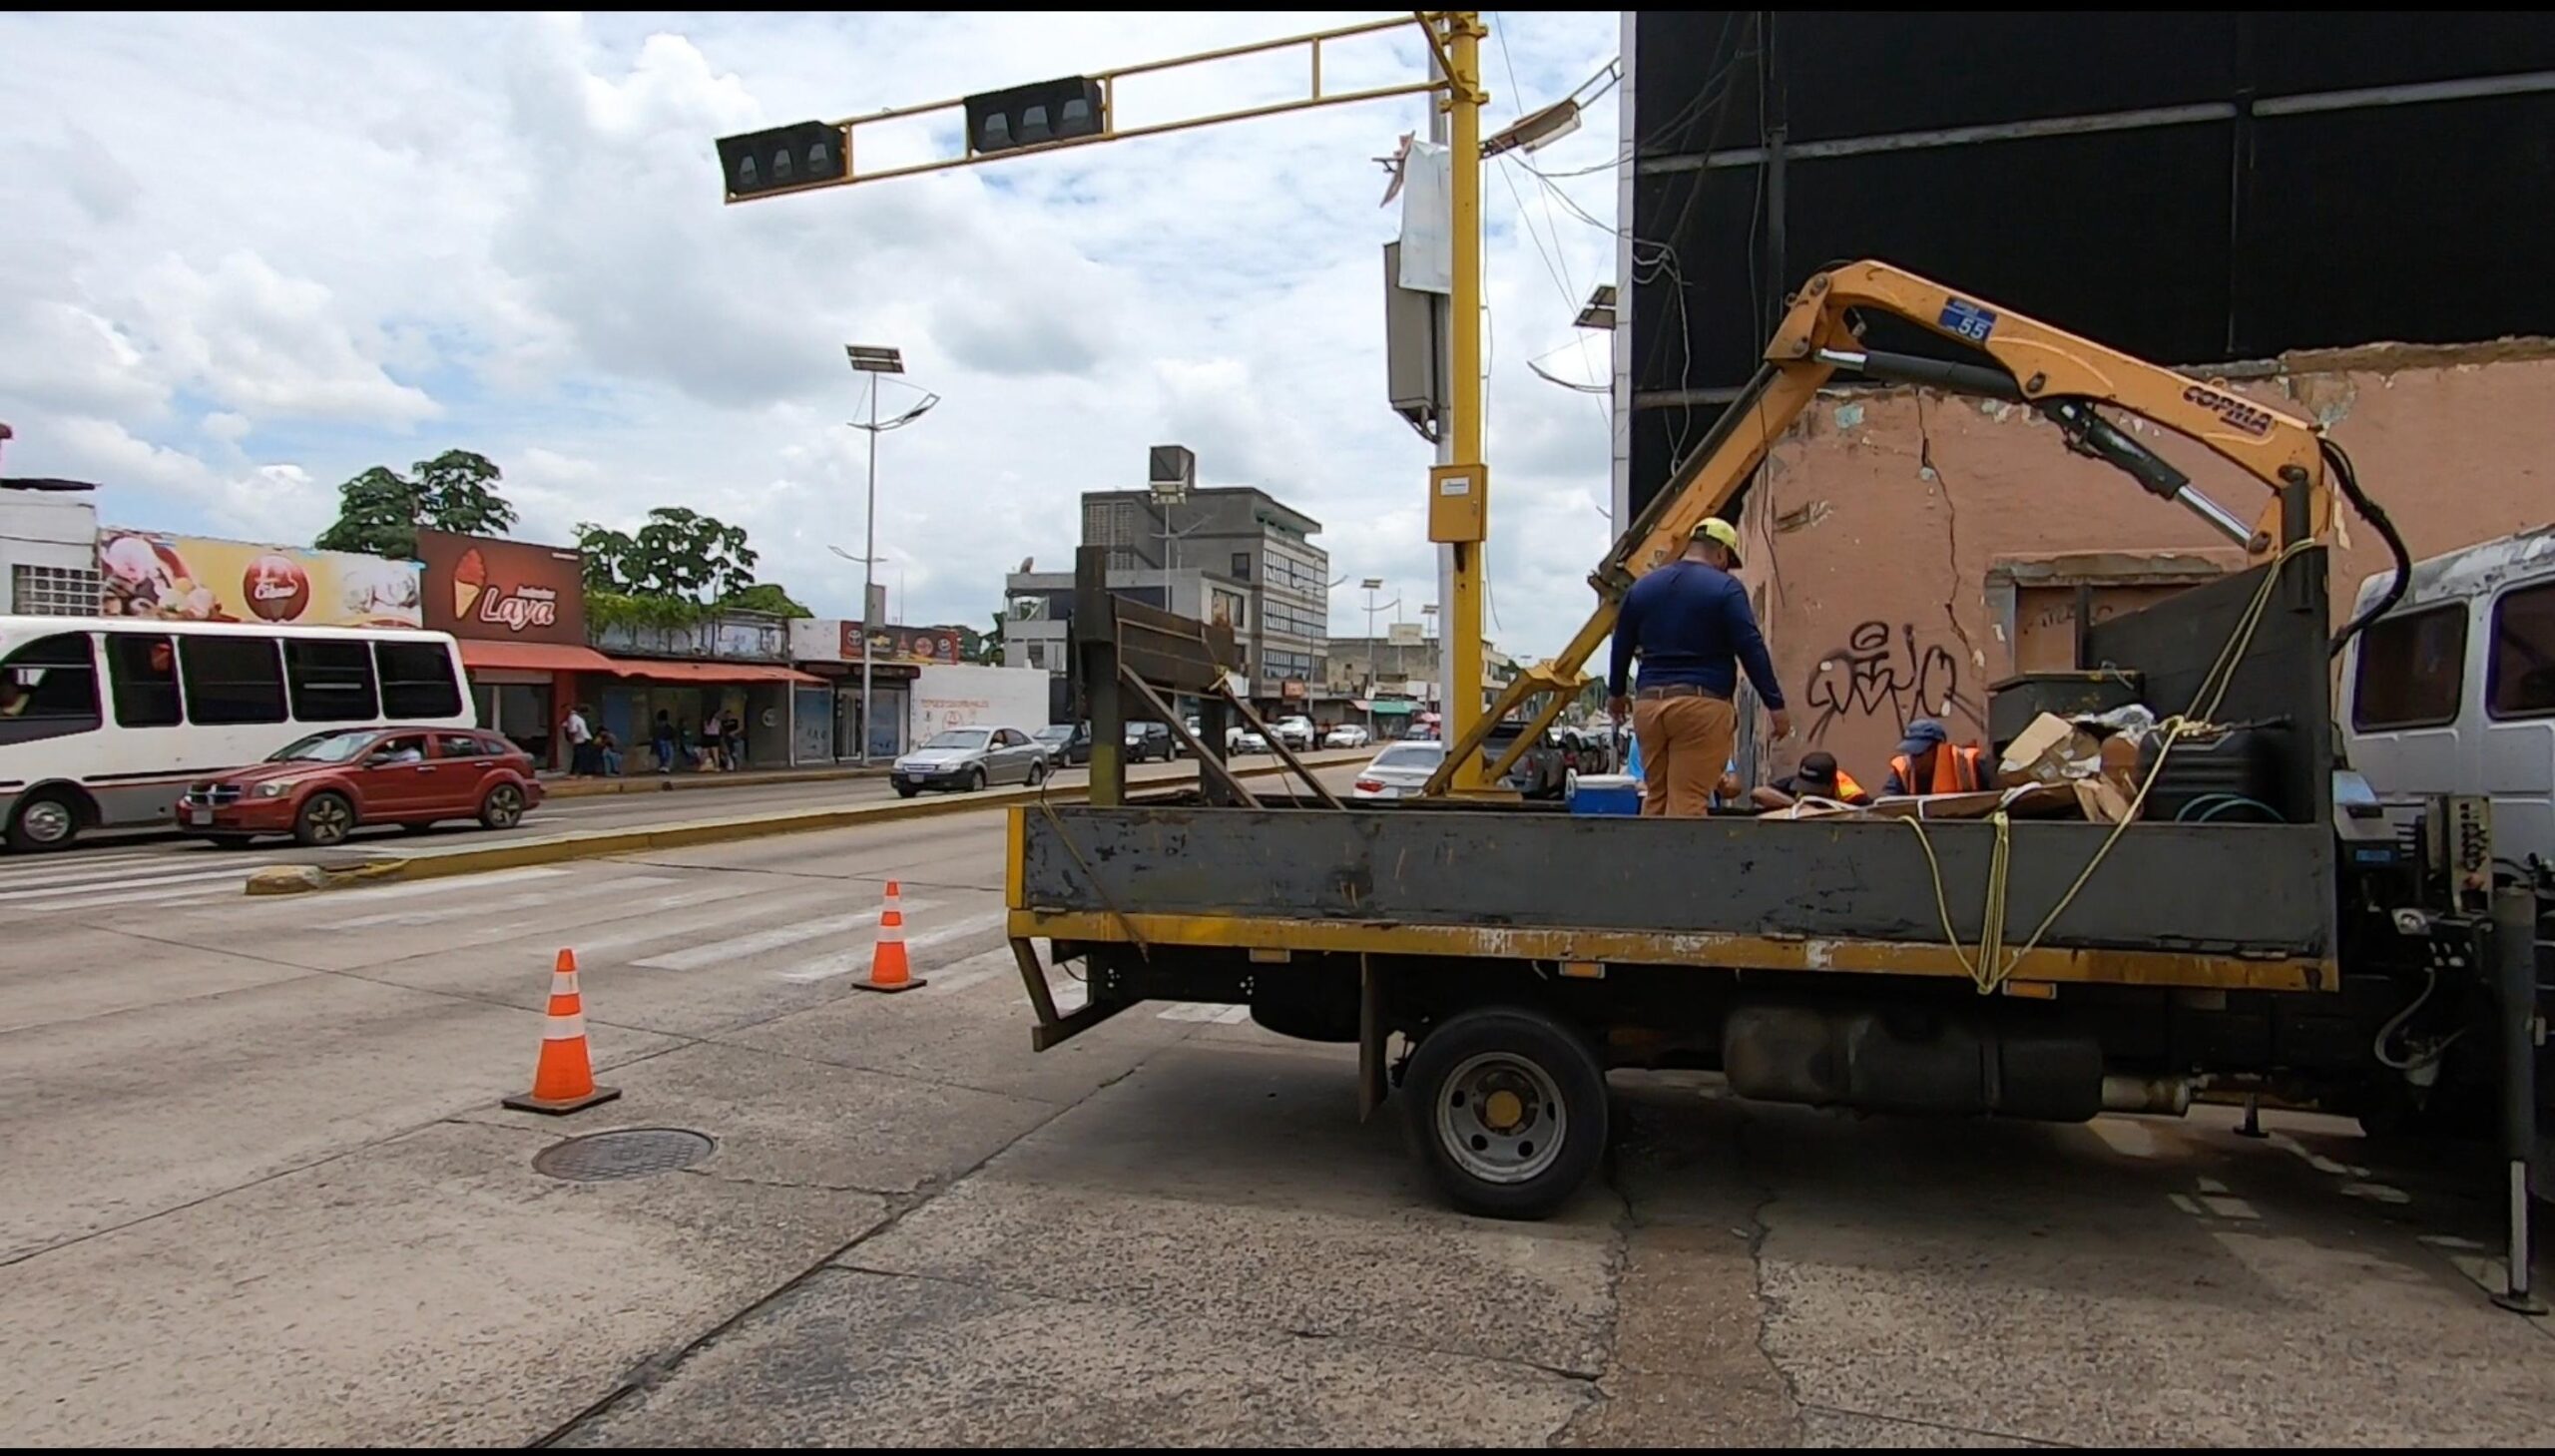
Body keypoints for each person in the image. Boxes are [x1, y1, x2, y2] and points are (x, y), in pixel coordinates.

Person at [1606, 517, 1791, 817]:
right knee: (1688, 801)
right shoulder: (1726, 589)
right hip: (1700, 704)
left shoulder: (1644, 587)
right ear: (1719, 553)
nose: (1727, 568)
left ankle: (1647, 863)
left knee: (1656, 796)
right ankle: (1681, 865)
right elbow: (1750, 646)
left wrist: (1616, 693)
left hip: (1649, 705)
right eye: (1728, 561)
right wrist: (1775, 705)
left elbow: (1622, 642)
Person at [1883, 718, 1988, 796]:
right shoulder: (1902, 770)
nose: (1915, 760)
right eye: (1911, 753)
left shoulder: (1967, 764)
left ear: (1938, 749)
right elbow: (1887, 804)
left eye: (1920, 753)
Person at [1751, 749, 1873, 810]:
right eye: (1805, 787)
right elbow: (1758, 793)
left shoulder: (1852, 795)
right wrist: (1798, 806)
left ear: (1832, 784)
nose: (1808, 793)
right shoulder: (1797, 782)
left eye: (1814, 789)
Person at [562, 703, 595, 776]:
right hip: (582, 738)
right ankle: (577, 772)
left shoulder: (573, 717)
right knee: (580, 756)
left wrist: (572, 740)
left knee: (580, 757)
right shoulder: (575, 717)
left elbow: (573, 730)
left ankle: (581, 773)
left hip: (582, 739)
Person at [652, 710, 678, 775]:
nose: (662, 723)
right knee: (662, 746)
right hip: (659, 744)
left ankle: (666, 765)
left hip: (668, 743)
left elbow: (673, 737)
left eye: (663, 722)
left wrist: (675, 744)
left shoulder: (669, 728)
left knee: (669, 747)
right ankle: (663, 764)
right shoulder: (657, 729)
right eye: (661, 722)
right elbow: (655, 739)